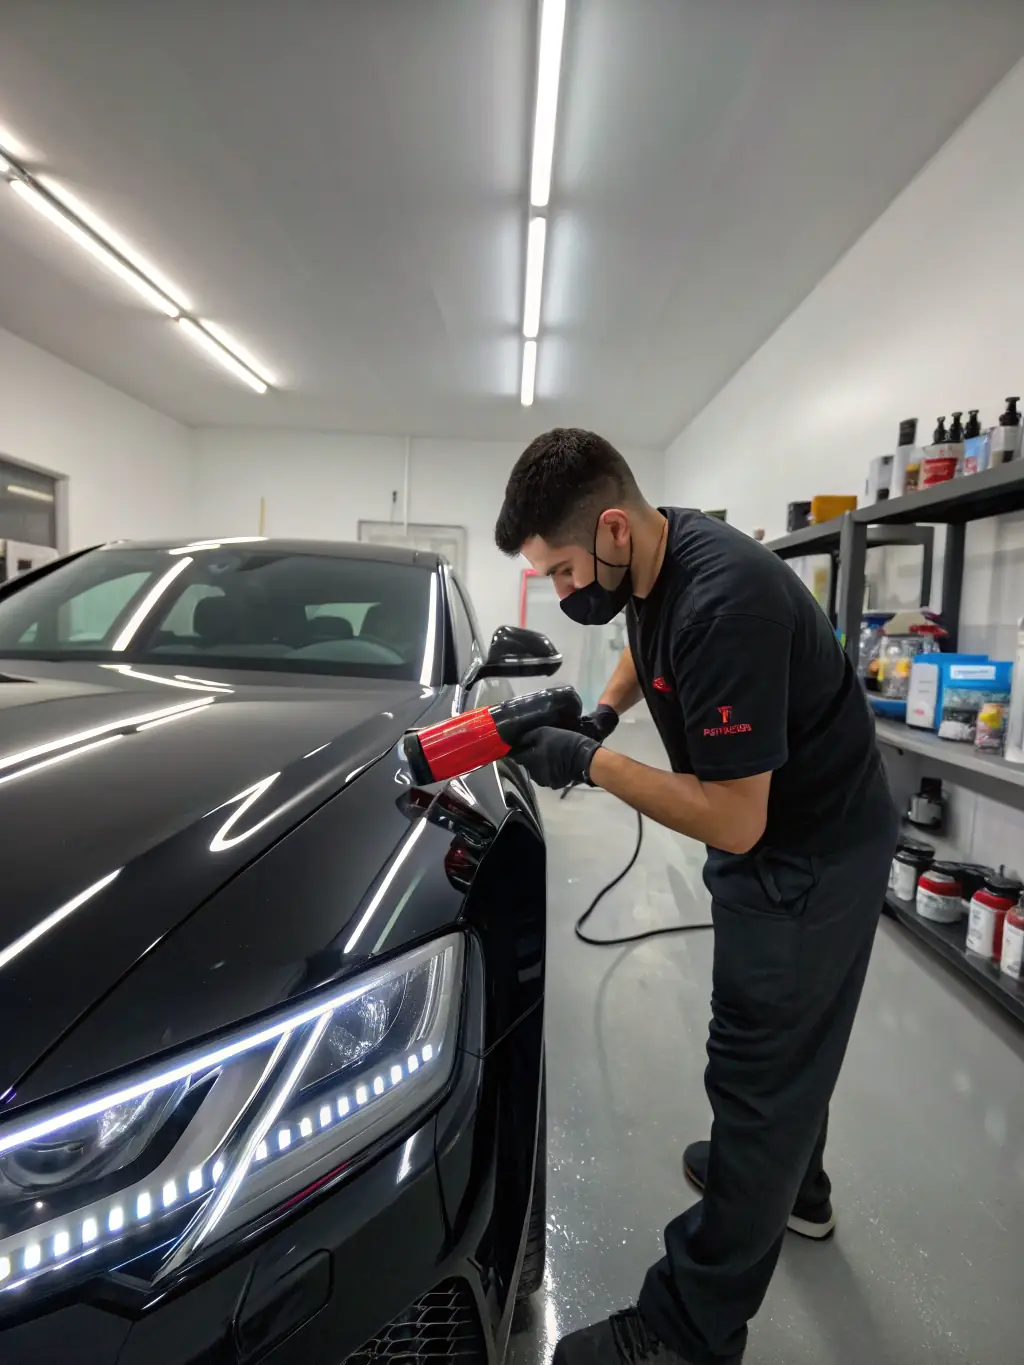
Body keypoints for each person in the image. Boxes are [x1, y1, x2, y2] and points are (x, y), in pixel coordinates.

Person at [494, 429, 898, 1365]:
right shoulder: (657, 552)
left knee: (757, 1065)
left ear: (611, 527)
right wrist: (604, 711)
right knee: (791, 1038)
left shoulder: (725, 604)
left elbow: (736, 821)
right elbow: (648, 648)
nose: (564, 591)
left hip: (807, 851)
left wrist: (591, 762)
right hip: (802, 829)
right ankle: (796, 1187)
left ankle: (688, 1330)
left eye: (563, 571)